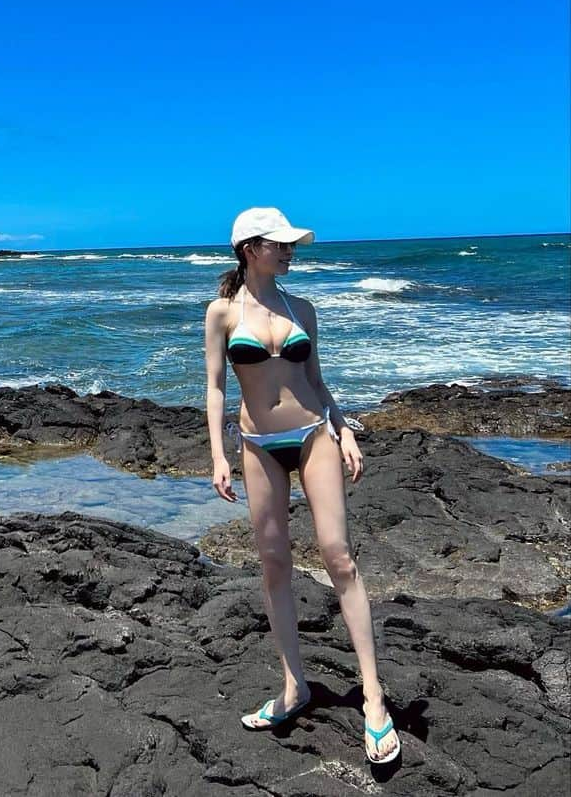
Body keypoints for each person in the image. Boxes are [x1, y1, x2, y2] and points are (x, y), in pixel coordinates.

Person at [204, 207, 400, 766]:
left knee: (339, 557)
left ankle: (373, 698)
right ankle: (295, 686)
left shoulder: (303, 309)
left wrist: (345, 430)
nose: (291, 252)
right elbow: (216, 388)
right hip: (256, 446)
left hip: (314, 434)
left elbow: (316, 379)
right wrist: (218, 454)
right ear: (249, 249)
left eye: (292, 245)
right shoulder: (220, 312)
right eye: (280, 244)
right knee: (274, 565)